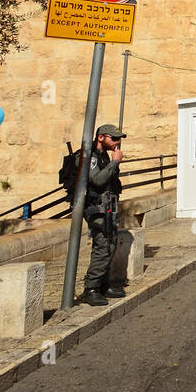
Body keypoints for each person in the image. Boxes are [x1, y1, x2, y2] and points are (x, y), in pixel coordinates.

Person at [80, 123, 126, 306]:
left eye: (118, 139)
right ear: (101, 137)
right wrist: (115, 161)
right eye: (113, 138)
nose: (117, 141)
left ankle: (102, 285)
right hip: (96, 208)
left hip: (107, 207)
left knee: (109, 245)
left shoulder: (104, 156)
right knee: (103, 246)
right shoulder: (91, 156)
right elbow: (97, 180)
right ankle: (90, 289)